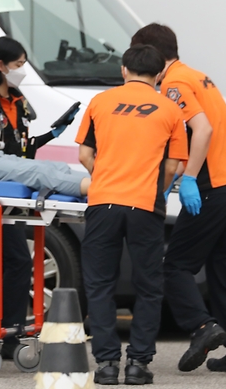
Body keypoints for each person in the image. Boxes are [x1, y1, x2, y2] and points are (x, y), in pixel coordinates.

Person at [132, 24, 226, 374]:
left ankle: (203, 327)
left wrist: (187, 179)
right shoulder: (199, 76)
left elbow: (202, 129)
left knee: (176, 265)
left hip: (214, 186)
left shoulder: (174, 83)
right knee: (223, 271)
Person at [75, 45, 188, 385]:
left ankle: (107, 364)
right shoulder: (170, 110)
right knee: (149, 285)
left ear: (124, 70)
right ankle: (138, 363)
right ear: (158, 76)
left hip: (103, 203)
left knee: (99, 283)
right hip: (145, 205)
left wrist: (106, 175)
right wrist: (157, 189)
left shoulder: (99, 103)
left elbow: (84, 154)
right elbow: (172, 165)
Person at [0, 37, 75, 355]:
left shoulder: (17, 101)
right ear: (1, 65)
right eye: (19, 64)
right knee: (10, 262)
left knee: (10, 263)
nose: (22, 71)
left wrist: (53, 133)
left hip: (15, 191)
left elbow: (21, 146)